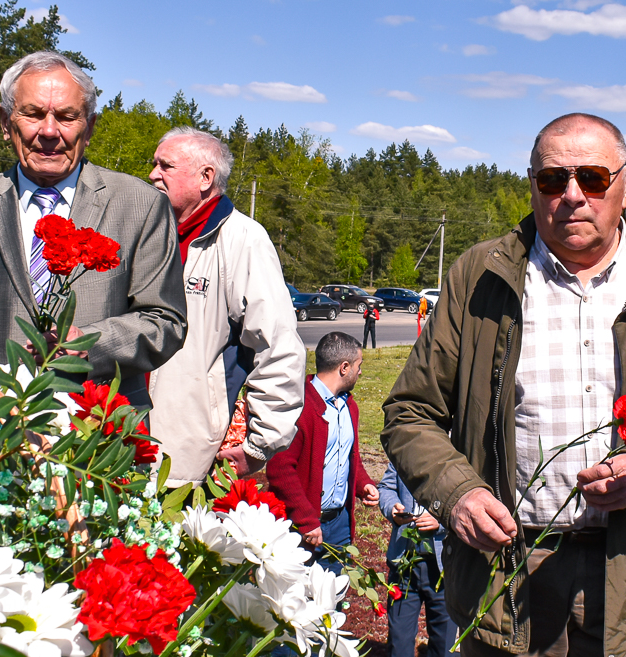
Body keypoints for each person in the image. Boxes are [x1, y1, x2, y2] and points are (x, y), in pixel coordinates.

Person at [380, 113, 626, 656]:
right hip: (508, 574)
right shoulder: (477, 276)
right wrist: (458, 492)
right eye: (554, 179)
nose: (573, 195)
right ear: (533, 186)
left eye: (594, 179)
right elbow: (410, 412)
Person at [0, 51, 187, 407]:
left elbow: (164, 321)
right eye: (33, 114)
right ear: (5, 123)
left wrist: (86, 346)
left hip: (102, 425)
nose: (49, 131)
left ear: (90, 127)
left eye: (67, 117)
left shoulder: (141, 205)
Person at [145, 127, 305, 485]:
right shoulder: (148, 232)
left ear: (206, 177)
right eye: (154, 164)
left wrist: (261, 444)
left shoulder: (243, 240)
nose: (153, 174)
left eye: (165, 166)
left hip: (186, 461)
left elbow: (278, 346)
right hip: (118, 446)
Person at [266, 332, 379, 575]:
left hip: (339, 525)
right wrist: (306, 519)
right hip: (302, 526)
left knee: (333, 594)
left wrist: (363, 484)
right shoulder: (300, 405)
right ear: (344, 367)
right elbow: (279, 468)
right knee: (295, 594)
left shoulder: (349, 406)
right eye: (359, 365)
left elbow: (348, 455)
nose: (360, 372)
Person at [379, 462, 455, 657]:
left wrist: (442, 520)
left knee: (444, 648)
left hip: (443, 567)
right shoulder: (404, 449)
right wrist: (393, 510)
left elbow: (468, 501)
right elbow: (386, 487)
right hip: (404, 562)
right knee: (398, 645)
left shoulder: (458, 451)